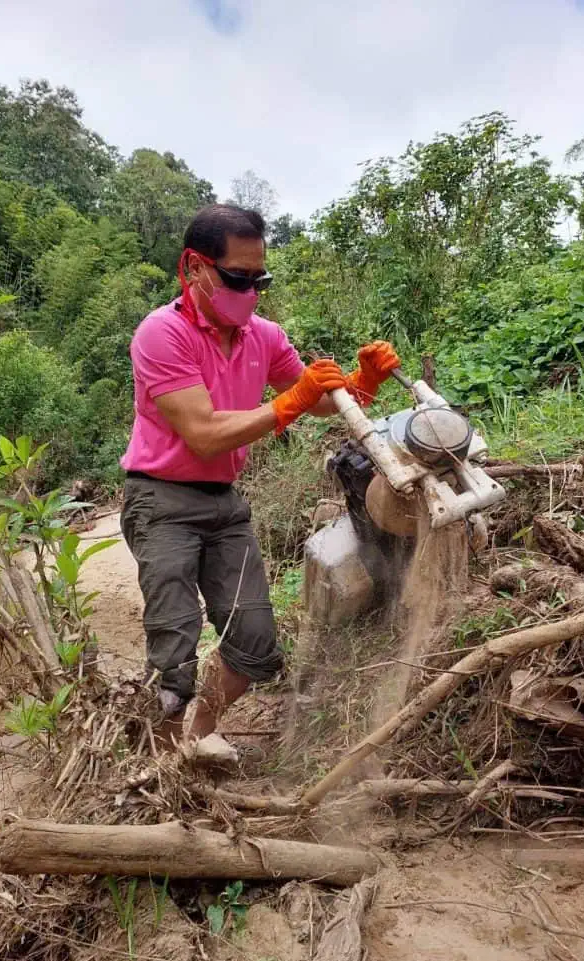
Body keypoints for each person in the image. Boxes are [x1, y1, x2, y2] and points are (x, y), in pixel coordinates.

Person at [120, 204, 399, 751]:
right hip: (161, 502)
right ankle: (164, 762)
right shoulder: (162, 334)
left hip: (224, 504)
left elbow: (323, 403)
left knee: (254, 644)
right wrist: (289, 404)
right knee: (174, 645)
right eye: (236, 278)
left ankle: (199, 733)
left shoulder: (262, 335)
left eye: (259, 279)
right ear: (195, 267)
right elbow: (202, 433)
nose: (250, 291)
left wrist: (363, 382)